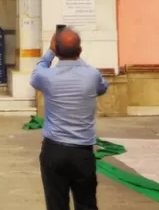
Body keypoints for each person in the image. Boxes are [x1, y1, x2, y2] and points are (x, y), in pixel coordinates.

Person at [29, 27, 109, 210]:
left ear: (56, 51)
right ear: (80, 51)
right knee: (86, 203)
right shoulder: (92, 75)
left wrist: (50, 52)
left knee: (56, 204)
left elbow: (35, 75)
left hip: (54, 150)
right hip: (82, 152)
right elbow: (102, 88)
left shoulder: (46, 76)